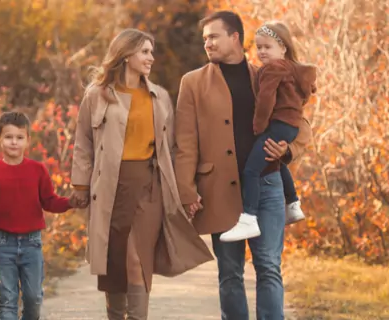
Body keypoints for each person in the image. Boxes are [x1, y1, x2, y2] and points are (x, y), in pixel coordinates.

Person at [174, 11, 313, 320]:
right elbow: (185, 143)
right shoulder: (192, 83)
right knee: (230, 272)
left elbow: (299, 121)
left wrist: (288, 150)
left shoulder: (267, 74)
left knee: (268, 267)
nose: (207, 43)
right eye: (204, 39)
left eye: (213, 36)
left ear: (235, 37)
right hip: (217, 189)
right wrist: (186, 190)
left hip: (267, 185)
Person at [70, 28, 212, 320]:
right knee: (114, 262)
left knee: (137, 260)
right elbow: (83, 142)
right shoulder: (96, 96)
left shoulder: (159, 97)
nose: (151, 58)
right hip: (110, 187)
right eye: (145, 52)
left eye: (151, 51)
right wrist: (80, 185)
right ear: (126, 54)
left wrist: (185, 190)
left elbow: (171, 149)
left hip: (149, 188)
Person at [0, 111, 78, 320]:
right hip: (3, 245)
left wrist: (70, 202)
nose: (14, 143)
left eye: (19, 138)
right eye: (9, 137)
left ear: (28, 140)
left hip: (32, 244)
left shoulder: (37, 171)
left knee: (33, 298)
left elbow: (49, 201)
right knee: (7, 301)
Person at [220, 21, 316, 242]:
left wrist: (259, 127)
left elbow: (265, 100)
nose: (262, 52)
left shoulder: (272, 69)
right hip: (289, 125)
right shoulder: (292, 69)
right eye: (259, 47)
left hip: (278, 124)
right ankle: (293, 204)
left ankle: (249, 218)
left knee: (251, 171)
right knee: (275, 161)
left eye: (267, 47)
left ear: (283, 48)